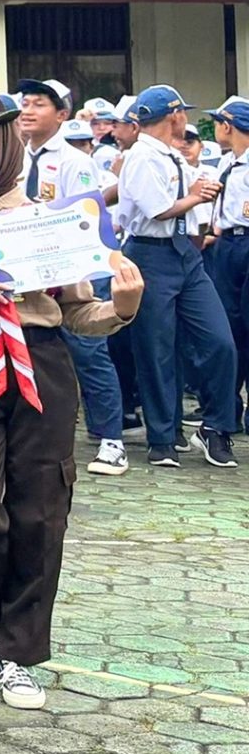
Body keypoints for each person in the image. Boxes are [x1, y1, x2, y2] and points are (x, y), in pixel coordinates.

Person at [0, 86, 143, 708]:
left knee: (41, 512)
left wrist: (122, 308)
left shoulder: (51, 218)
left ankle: (15, 650)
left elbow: (79, 313)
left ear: (7, 143)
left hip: (41, 365)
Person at [114, 85, 238, 468]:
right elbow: (157, 211)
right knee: (156, 348)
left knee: (219, 341)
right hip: (150, 253)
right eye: (182, 113)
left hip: (186, 253)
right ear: (174, 117)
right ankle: (163, 436)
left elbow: (188, 214)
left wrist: (200, 213)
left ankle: (215, 426)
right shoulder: (142, 157)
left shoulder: (173, 156)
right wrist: (197, 196)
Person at [17, 78, 126, 480]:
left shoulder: (72, 162)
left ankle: (110, 439)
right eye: (25, 103)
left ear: (62, 115)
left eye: (39, 105)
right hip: (28, 273)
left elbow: (82, 216)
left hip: (70, 271)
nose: (28, 110)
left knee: (89, 353)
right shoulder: (14, 158)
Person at [210, 99, 249, 425]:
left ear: (228, 126)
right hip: (226, 245)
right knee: (230, 326)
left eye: (218, 122)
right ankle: (229, 410)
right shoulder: (226, 163)